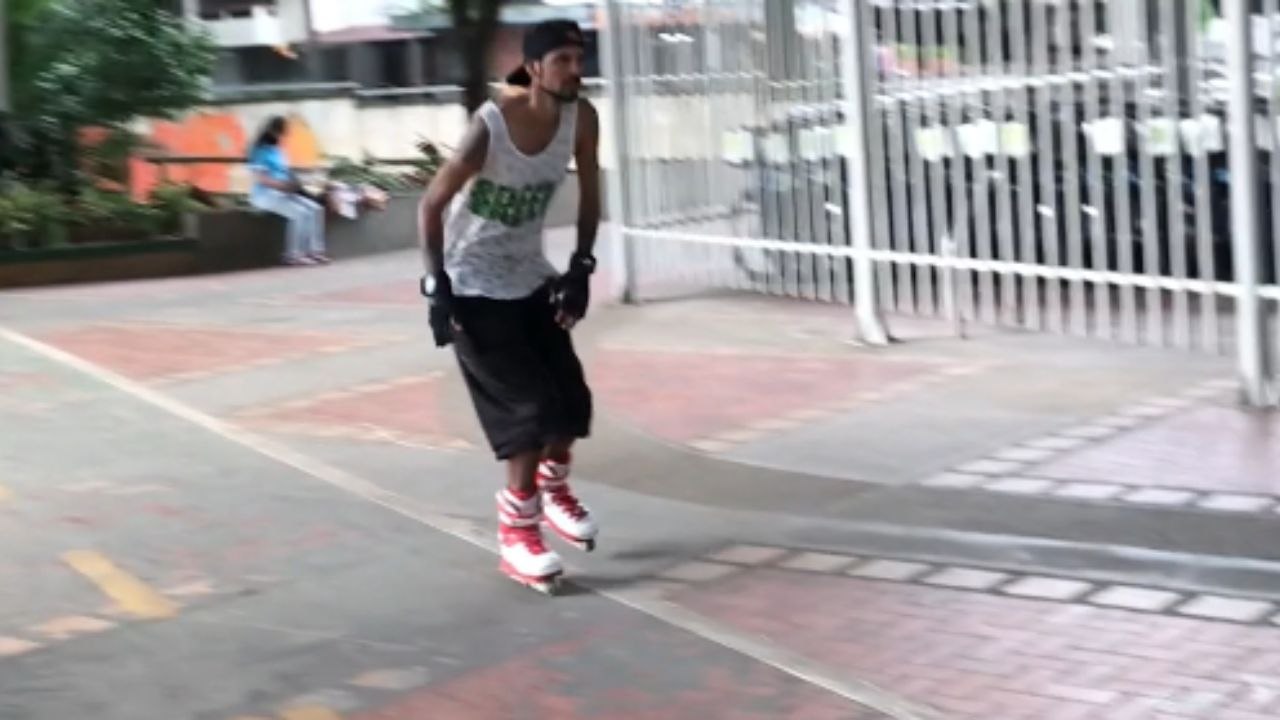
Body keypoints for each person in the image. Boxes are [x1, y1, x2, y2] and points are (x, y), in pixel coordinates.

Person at [417, 19, 601, 594]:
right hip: (472, 285)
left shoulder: (582, 118)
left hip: (529, 276)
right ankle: (517, 532)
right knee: (528, 412)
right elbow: (430, 205)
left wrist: (581, 267)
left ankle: (554, 487)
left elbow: (591, 194)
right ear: (536, 67)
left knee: (570, 400)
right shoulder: (491, 124)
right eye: (563, 60)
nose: (575, 69)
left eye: (580, 58)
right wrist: (436, 284)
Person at [247, 116, 329, 266]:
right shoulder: (259, 151)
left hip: (283, 192)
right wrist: (282, 186)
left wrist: (295, 184)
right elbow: (262, 179)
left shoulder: (277, 150)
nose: (282, 137)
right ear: (271, 131)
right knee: (299, 213)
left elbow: (285, 171)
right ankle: (293, 254)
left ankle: (315, 251)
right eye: (280, 133)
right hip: (265, 196)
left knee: (315, 209)